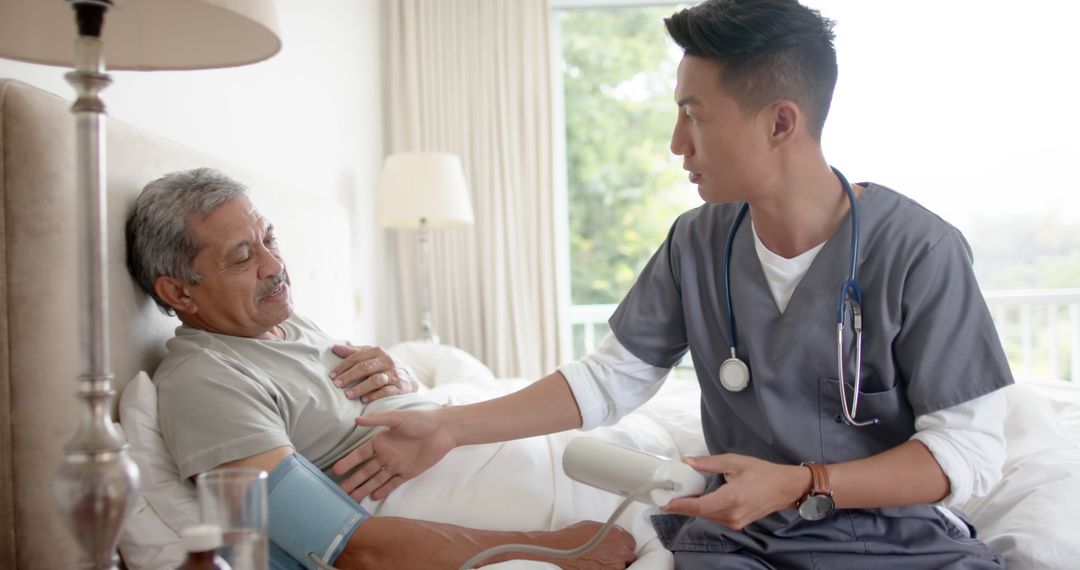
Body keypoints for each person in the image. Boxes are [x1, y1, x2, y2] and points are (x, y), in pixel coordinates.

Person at [334, 1, 1013, 568]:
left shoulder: (919, 250)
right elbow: (611, 379)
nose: (675, 143)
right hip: (741, 542)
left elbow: (969, 452)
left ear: (780, 122)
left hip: (896, 541)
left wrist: (805, 483)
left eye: (694, 114)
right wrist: (449, 427)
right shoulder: (698, 242)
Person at [125, 167, 637, 570]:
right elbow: (345, 546)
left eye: (270, 240)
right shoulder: (204, 380)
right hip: (495, 512)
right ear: (177, 291)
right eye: (242, 257)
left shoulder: (284, 323)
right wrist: (555, 553)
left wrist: (405, 382)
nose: (274, 265)